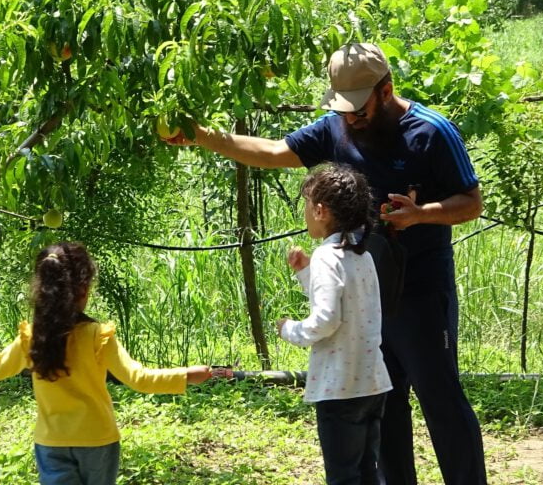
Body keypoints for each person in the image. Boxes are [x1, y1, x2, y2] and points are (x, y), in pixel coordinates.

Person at [167, 42, 487, 485]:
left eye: (359, 109)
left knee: (441, 400)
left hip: (421, 292)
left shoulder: (431, 132)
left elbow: (472, 202)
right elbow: (273, 152)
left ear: (386, 90)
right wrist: (202, 135)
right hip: (365, 302)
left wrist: (420, 214)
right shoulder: (336, 126)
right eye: (343, 109)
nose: (350, 119)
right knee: (385, 404)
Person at [0, 241, 216, 485]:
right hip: (98, 440)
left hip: (52, 442)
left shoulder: (31, 338)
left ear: (41, 289)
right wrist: (187, 374)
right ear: (84, 290)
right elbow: (139, 378)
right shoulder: (97, 336)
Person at [277, 164, 393, 485]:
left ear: (320, 210)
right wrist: (306, 273)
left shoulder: (327, 256)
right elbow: (348, 304)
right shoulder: (361, 255)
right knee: (367, 473)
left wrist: (289, 330)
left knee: (343, 477)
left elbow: (326, 319)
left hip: (340, 388)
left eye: (306, 205)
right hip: (371, 383)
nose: (305, 213)